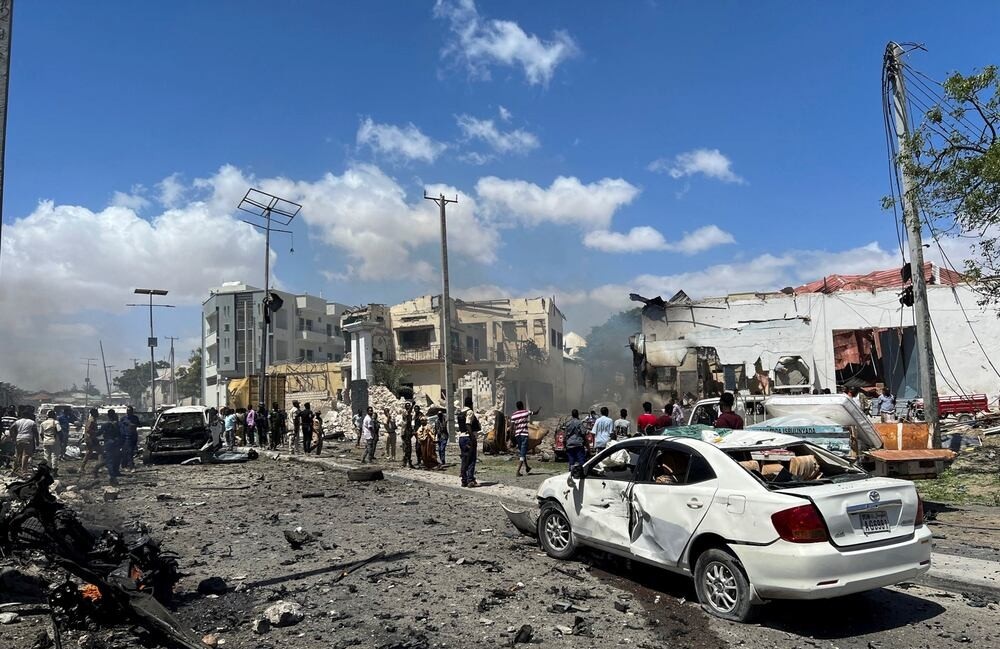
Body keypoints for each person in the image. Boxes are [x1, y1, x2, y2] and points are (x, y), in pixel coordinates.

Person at [510, 401, 539, 477]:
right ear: (522, 406)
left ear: (517, 407)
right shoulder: (525, 412)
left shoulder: (513, 415)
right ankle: (517, 471)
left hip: (517, 435)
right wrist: (538, 410)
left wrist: (511, 439)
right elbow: (534, 413)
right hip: (524, 434)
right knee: (522, 453)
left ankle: (527, 467)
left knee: (523, 451)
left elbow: (511, 428)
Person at [457, 396, 480, 487]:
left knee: (464, 459)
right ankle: (470, 480)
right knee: (471, 459)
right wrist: (473, 438)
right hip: (468, 438)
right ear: (471, 404)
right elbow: (468, 425)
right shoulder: (469, 412)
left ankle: (464, 480)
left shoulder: (461, 413)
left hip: (461, 437)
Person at [9, 412, 39, 476]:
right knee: (25, 455)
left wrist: (12, 437)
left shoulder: (18, 422)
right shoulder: (32, 422)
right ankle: (24, 470)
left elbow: (11, 428)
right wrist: (37, 441)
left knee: (18, 454)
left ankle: (15, 469)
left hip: (19, 438)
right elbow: (35, 432)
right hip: (28, 439)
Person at [99, 410, 122, 486]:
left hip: (109, 443)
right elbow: (121, 433)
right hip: (116, 442)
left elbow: (99, 433)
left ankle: (112, 476)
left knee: (110, 460)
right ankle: (115, 473)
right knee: (116, 458)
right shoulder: (118, 424)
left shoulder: (105, 425)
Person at [564, 409, 587, 475]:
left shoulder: (568, 423)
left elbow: (565, 436)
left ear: (572, 415)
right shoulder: (579, 423)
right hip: (578, 444)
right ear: (577, 414)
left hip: (570, 444)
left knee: (571, 461)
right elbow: (583, 432)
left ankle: (571, 473)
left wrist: (564, 444)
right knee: (581, 460)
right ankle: (582, 474)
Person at [80, 408, 101, 474]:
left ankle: (83, 467)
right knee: (99, 452)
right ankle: (98, 467)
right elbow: (88, 430)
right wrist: (95, 432)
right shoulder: (91, 420)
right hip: (90, 438)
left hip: (91, 438)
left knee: (90, 453)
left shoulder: (93, 419)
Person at [119, 406, 140, 472]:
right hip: (126, 437)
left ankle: (124, 465)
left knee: (130, 451)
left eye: (130, 411)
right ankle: (131, 466)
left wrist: (130, 424)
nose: (128, 412)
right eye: (127, 411)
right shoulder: (123, 419)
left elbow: (138, 425)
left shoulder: (135, 418)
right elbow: (120, 427)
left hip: (133, 436)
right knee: (129, 451)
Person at [400, 402, 414, 468]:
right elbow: (408, 413)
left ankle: (408, 462)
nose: (408, 407)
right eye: (407, 406)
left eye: (409, 406)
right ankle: (405, 462)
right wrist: (412, 405)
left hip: (408, 431)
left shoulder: (410, 415)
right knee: (405, 448)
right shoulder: (405, 412)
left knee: (409, 448)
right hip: (405, 432)